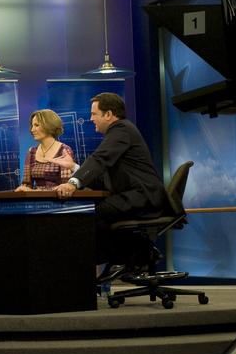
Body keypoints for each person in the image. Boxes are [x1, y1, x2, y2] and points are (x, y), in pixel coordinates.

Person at [54, 92, 169, 262]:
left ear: (108, 114)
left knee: (89, 215)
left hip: (143, 196)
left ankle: (134, 253)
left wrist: (72, 183)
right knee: (92, 213)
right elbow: (104, 176)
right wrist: (73, 167)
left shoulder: (121, 129)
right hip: (136, 195)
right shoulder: (121, 131)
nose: (91, 119)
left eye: (94, 114)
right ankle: (135, 253)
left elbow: (99, 159)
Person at [14, 109, 76, 191]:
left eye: (36, 125)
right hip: (36, 198)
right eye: (32, 125)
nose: (32, 130)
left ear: (49, 126)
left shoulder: (64, 150)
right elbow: (26, 184)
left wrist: (35, 192)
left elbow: (65, 188)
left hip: (58, 198)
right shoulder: (32, 152)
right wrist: (23, 189)